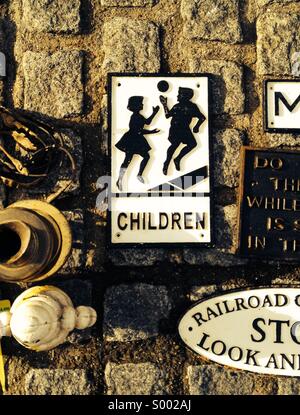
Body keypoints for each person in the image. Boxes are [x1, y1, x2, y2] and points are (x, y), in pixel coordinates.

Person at [115, 96, 160, 191]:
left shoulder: (138, 116)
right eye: (141, 103)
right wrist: (151, 131)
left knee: (145, 157)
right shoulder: (135, 117)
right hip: (132, 140)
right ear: (136, 106)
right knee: (128, 160)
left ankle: (139, 174)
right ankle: (120, 179)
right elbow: (139, 130)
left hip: (137, 139)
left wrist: (154, 113)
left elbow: (147, 122)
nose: (143, 105)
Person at [160, 87, 206, 175]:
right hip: (175, 128)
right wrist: (165, 105)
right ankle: (166, 163)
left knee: (192, 144)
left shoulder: (191, 107)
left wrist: (197, 127)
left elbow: (202, 117)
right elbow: (168, 115)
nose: (177, 96)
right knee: (174, 145)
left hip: (185, 129)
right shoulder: (177, 106)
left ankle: (177, 158)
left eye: (179, 94)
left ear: (185, 96)